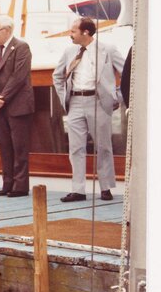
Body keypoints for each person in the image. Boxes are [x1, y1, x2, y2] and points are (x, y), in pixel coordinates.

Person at [52, 17, 123, 202]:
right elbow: (57, 76)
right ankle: (79, 190)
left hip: (98, 101)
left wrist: (116, 97)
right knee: (75, 148)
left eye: (73, 31)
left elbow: (128, 73)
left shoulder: (108, 50)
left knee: (103, 146)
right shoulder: (69, 51)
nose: (70, 34)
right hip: (75, 101)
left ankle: (106, 187)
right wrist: (63, 97)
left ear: (85, 32)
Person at [0, 15, 33, 196]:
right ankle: (7, 183)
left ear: (7, 30)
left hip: (17, 106)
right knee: (4, 146)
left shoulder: (21, 47)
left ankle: (20, 186)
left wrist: (0, 99)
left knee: (19, 147)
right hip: (0, 106)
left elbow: (19, 77)